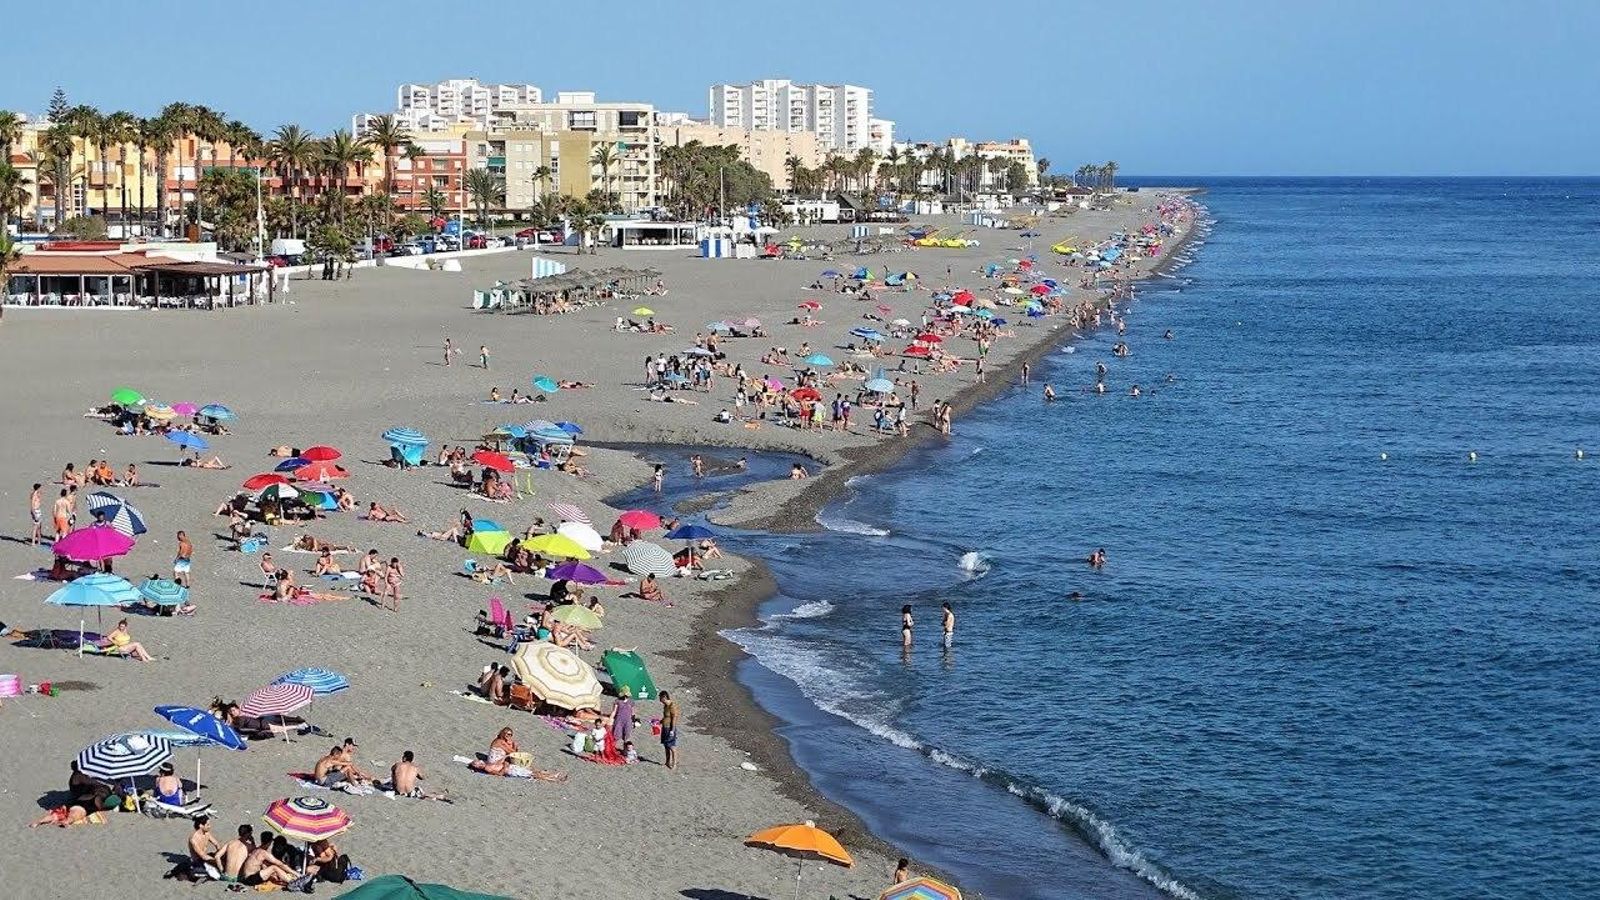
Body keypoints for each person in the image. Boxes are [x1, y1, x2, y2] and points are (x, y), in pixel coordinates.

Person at [659, 690, 680, 770]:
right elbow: (665, 717)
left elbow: (674, 717)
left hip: (670, 728)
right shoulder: (665, 706)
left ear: (664, 697)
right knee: (666, 746)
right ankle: (667, 762)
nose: (660, 700)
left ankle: (674, 764)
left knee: (671, 746)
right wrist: (659, 722)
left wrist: (672, 730)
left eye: (660, 698)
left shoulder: (672, 705)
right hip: (665, 727)